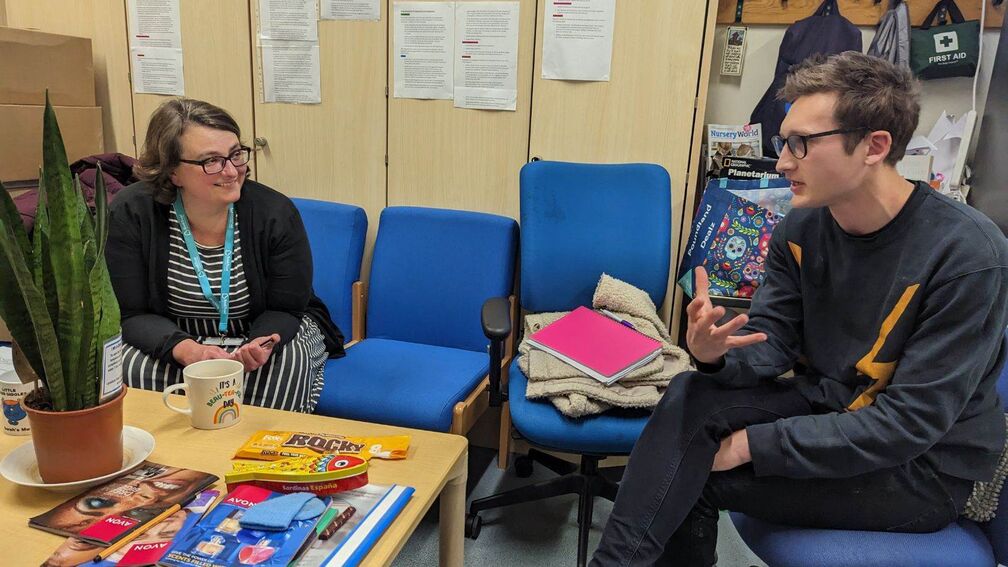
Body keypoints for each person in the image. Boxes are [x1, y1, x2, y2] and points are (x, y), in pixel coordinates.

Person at [591, 52, 1008, 566]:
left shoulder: (968, 255)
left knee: (690, 479)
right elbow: (772, 343)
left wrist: (752, 444)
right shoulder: (801, 226)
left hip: (919, 471)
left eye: (801, 144)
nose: (783, 162)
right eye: (783, 142)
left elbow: (908, 425)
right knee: (690, 391)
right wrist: (716, 354)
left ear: (875, 146)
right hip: (830, 407)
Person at [106, 98, 344, 413]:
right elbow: (130, 313)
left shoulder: (275, 212)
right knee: (122, 366)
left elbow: (287, 309)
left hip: (264, 331)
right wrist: (186, 349)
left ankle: (257, 446)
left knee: (283, 368)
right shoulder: (131, 211)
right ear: (172, 171)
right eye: (212, 161)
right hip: (172, 336)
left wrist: (258, 345)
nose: (231, 171)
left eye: (235, 154)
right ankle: (171, 447)